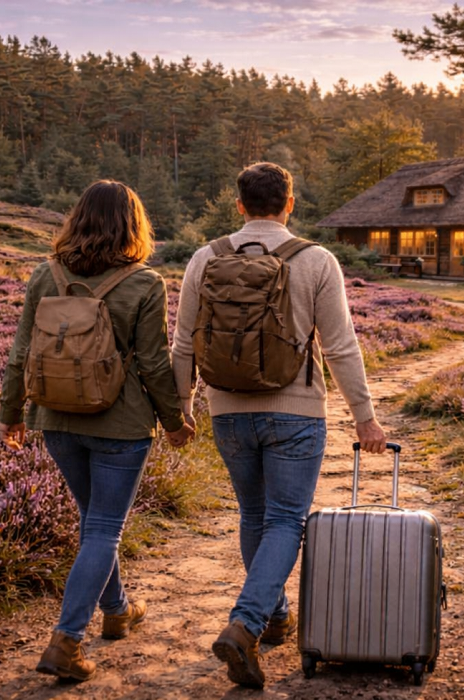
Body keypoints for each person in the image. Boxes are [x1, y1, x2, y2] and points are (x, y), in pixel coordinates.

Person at [172, 162, 386, 689]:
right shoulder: (315, 260)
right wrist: (365, 418)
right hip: (296, 411)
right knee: (286, 521)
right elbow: (339, 347)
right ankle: (246, 623)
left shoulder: (206, 257)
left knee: (254, 515)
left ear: (239, 205)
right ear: (290, 204)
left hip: (227, 409)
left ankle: (275, 615)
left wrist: (181, 409)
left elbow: (181, 344)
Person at [0, 180, 195, 682]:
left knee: (93, 522)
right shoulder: (145, 283)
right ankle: (67, 639)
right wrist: (174, 421)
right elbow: (152, 363)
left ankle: (118, 611)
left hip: (56, 419)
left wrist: (11, 414)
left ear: (77, 218)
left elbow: (21, 351)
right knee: (105, 528)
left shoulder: (45, 273)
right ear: (134, 224)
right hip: (120, 424)